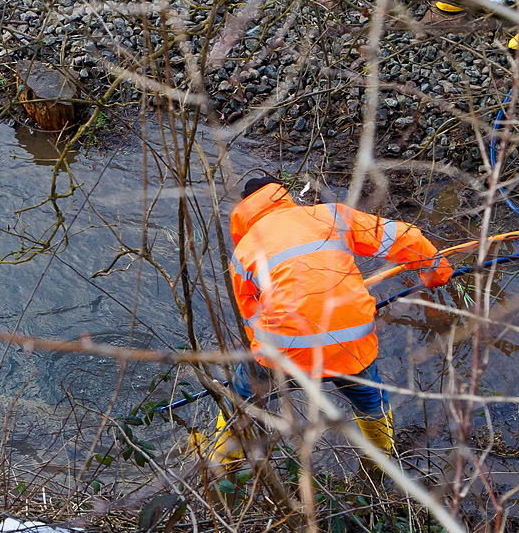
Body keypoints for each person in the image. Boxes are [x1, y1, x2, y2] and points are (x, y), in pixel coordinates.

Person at [193, 176, 452, 466]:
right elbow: (403, 236)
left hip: (284, 354)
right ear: (284, 195)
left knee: (242, 400)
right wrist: (435, 272)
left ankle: (221, 463)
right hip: (351, 344)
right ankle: (382, 459)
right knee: (371, 402)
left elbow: (251, 317)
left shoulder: (243, 252)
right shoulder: (330, 215)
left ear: (244, 209)